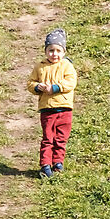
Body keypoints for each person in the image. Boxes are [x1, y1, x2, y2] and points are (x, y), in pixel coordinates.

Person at [28, 27, 77, 176]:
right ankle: (45, 164)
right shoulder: (40, 66)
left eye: (58, 51)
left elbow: (71, 82)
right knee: (48, 138)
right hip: (47, 109)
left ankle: (58, 162)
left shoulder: (67, 66)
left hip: (64, 109)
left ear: (63, 52)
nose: (54, 54)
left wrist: (55, 88)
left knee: (61, 138)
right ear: (45, 51)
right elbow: (30, 83)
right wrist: (38, 87)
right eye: (51, 50)